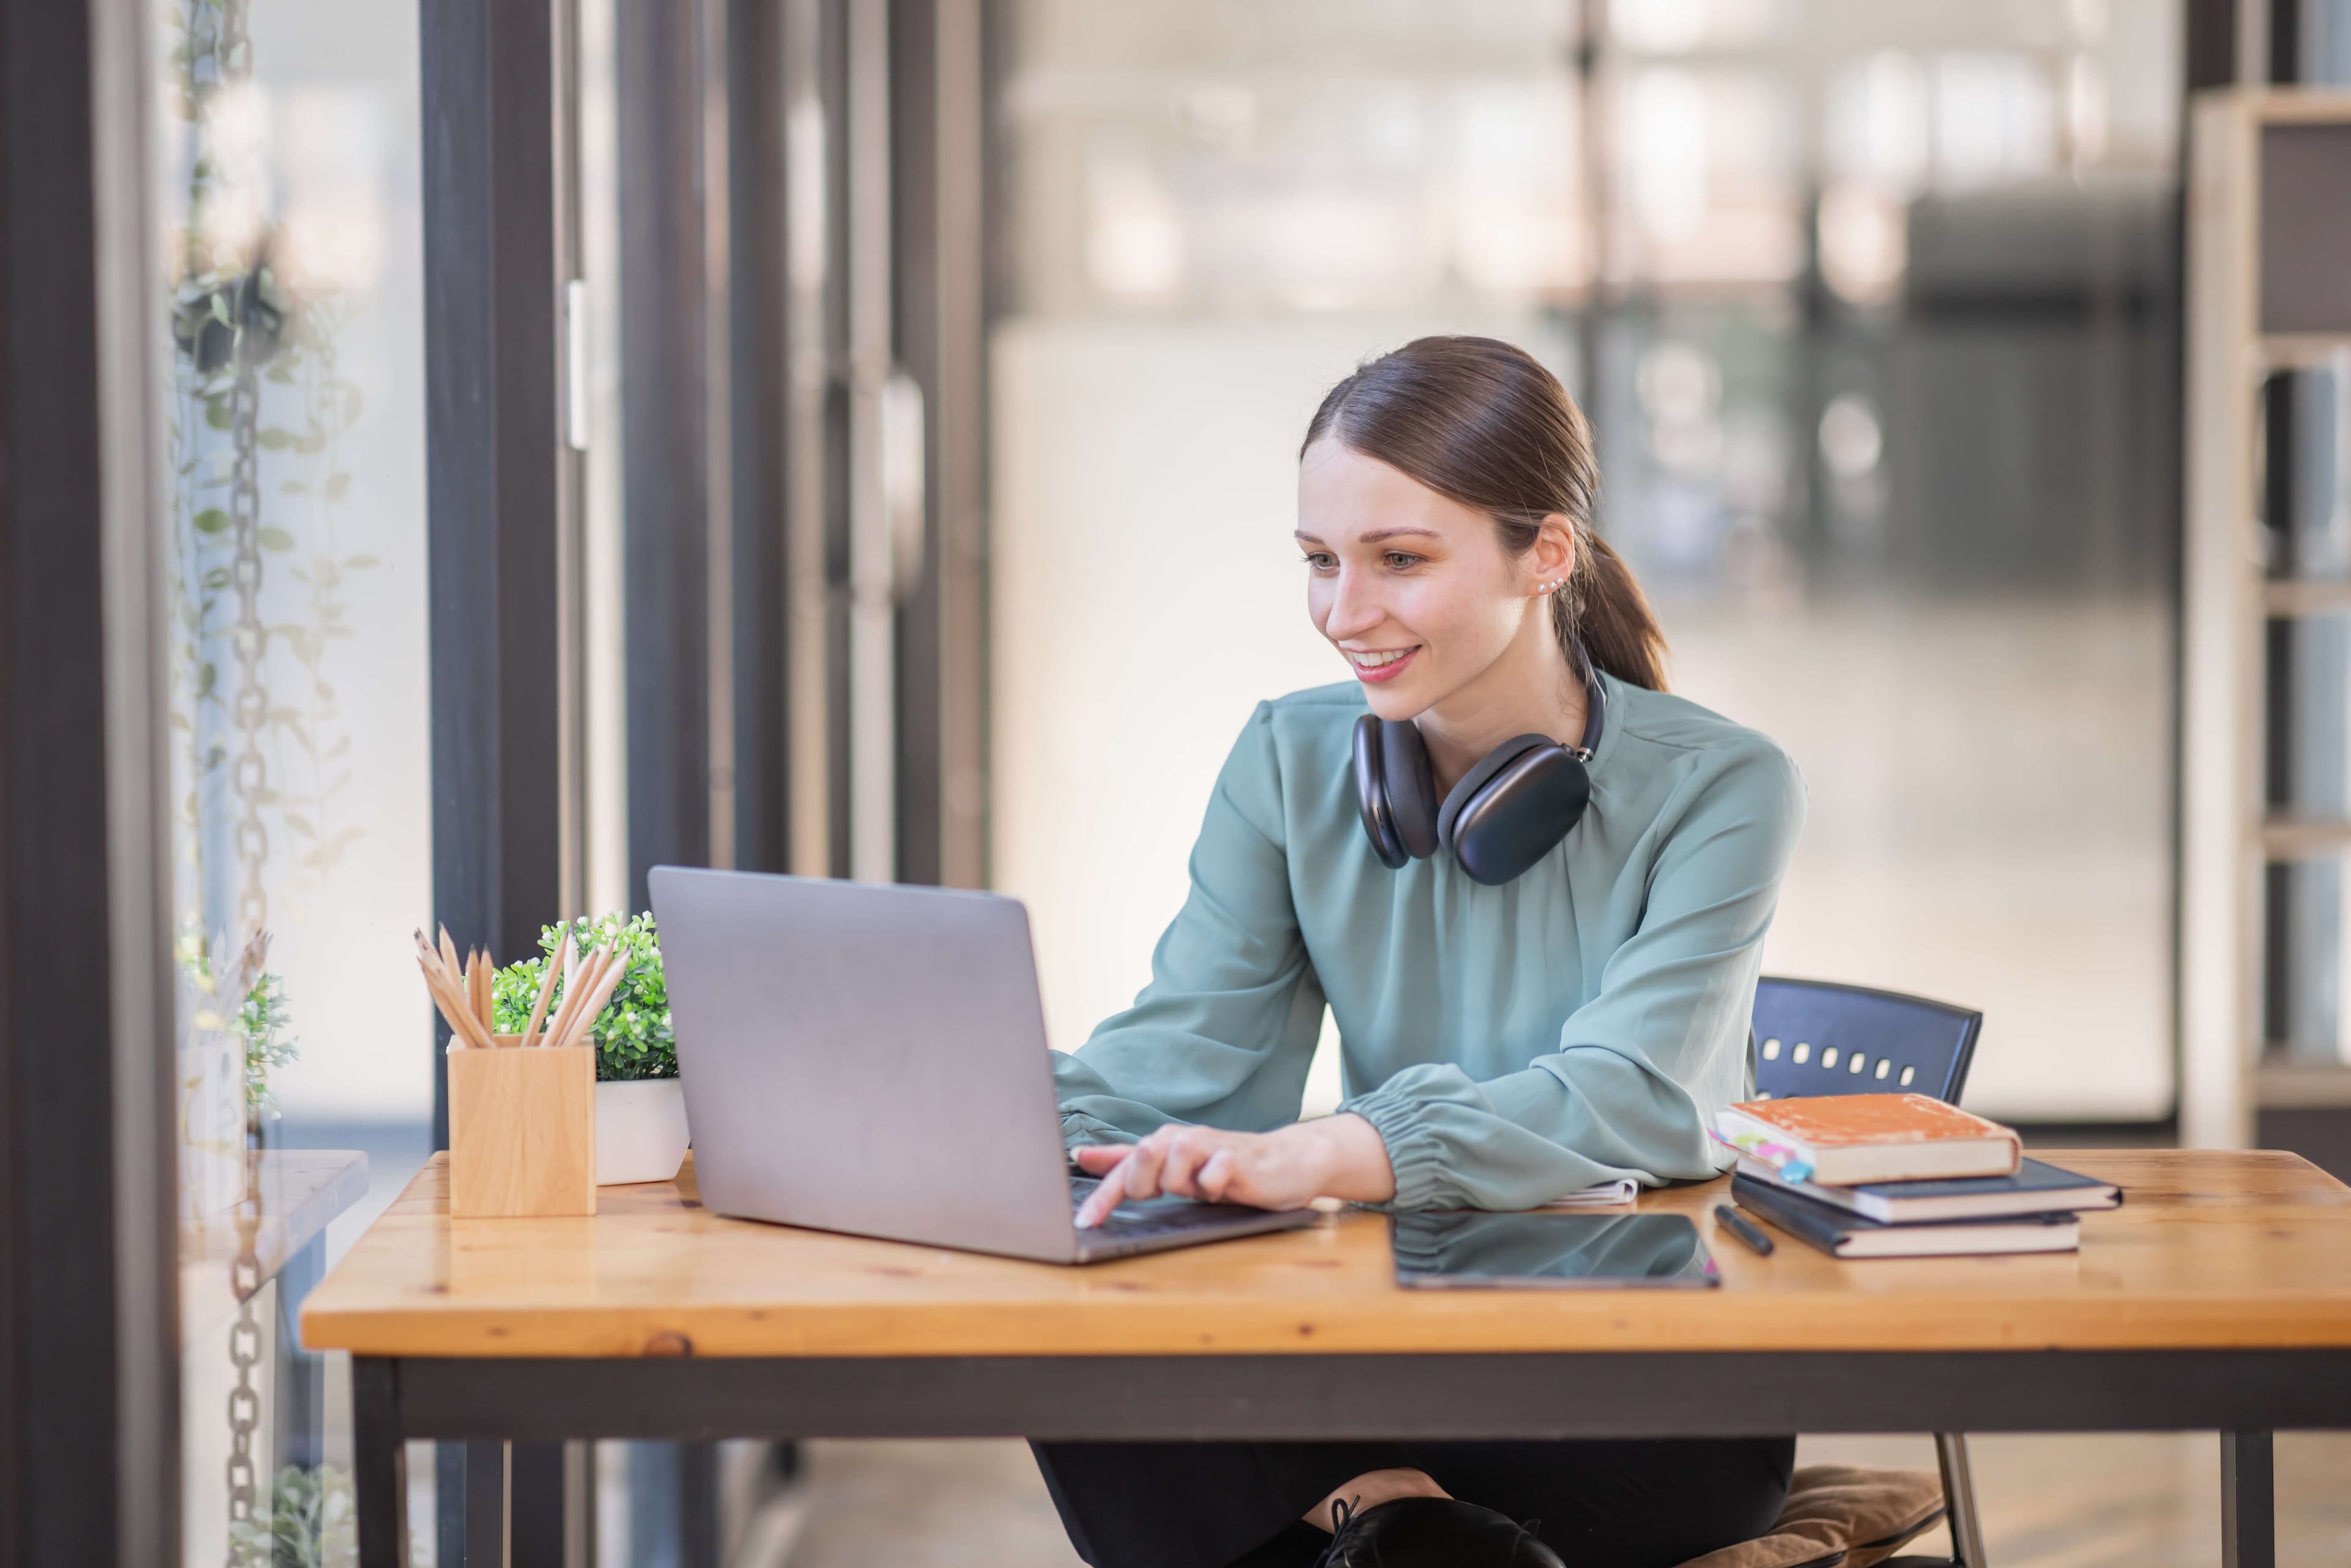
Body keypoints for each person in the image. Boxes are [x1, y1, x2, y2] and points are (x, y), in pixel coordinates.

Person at [1034, 336, 1806, 1568]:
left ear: (1545, 552)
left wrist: (1343, 1149)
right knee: (1075, 1382)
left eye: (1400, 560)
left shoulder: (1724, 786)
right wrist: (1002, 1121)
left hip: (1642, 1371)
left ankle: (1379, 1518)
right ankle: (1398, 1521)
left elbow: (1639, 1095)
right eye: (1320, 562)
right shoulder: (1289, 762)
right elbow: (1192, 1048)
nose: (1346, 613)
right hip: (1383, 1348)